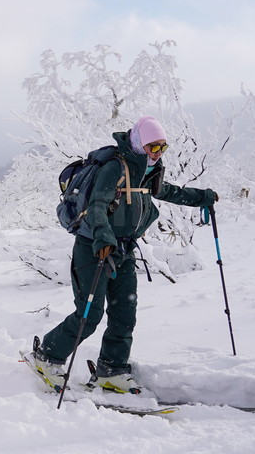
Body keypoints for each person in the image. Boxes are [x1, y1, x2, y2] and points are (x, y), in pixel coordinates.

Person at [30, 116, 218, 393]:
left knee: (124, 313)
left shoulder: (147, 170)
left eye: (163, 147)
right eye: (153, 146)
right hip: (94, 248)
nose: (158, 152)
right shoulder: (114, 167)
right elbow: (97, 205)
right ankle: (47, 356)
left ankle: (112, 369)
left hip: (124, 249)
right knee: (88, 315)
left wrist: (202, 197)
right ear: (140, 144)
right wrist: (103, 237)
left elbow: (167, 192)